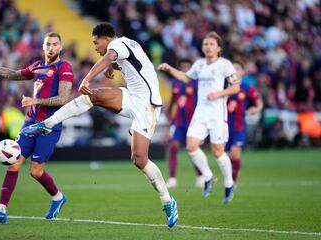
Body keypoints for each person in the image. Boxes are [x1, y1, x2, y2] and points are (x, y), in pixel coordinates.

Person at [22, 23, 178, 228]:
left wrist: (87, 77)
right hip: (132, 96)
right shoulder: (126, 44)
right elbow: (126, 62)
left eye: (96, 42)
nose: (95, 47)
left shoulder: (118, 45)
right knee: (93, 96)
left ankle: (168, 201)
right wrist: (113, 69)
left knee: (139, 159)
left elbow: (108, 57)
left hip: (147, 105)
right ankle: (48, 123)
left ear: (106, 39)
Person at [0, 32, 73, 224]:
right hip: (29, 123)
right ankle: (1, 210)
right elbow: (14, 74)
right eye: (48, 44)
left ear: (60, 47)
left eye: (55, 44)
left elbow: (63, 98)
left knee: (36, 172)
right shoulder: (37, 65)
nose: (51, 48)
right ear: (43, 47)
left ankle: (58, 197)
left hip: (48, 125)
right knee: (14, 163)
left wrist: (36, 100)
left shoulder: (64, 67)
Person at [158, 31, 240, 203]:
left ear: (218, 48)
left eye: (211, 44)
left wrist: (218, 93)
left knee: (218, 152)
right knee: (191, 146)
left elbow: (235, 88)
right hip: (200, 112)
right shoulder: (199, 64)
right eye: (205, 44)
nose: (208, 47)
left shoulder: (225, 65)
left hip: (217, 114)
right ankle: (208, 176)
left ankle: (229, 183)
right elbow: (186, 78)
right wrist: (170, 68)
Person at [164, 59, 204, 189]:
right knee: (173, 147)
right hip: (179, 122)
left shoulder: (196, 83)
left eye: (188, 67)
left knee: (192, 149)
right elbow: (173, 101)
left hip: (194, 122)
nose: (186, 70)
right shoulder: (175, 83)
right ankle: (172, 179)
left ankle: (200, 176)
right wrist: (169, 114)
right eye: (183, 67)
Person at [226, 60, 263, 182]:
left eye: (237, 68)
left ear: (242, 71)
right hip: (224, 127)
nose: (234, 71)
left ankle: (233, 181)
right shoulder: (224, 87)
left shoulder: (247, 88)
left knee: (235, 153)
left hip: (239, 126)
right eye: (232, 68)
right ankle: (231, 176)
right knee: (226, 156)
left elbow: (259, 103)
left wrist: (256, 109)